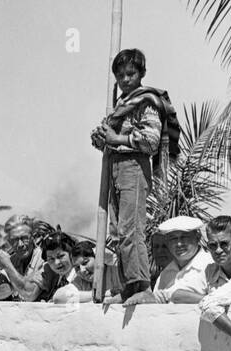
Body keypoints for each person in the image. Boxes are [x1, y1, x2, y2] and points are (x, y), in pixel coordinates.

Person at [90, 48, 163, 302]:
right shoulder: (119, 106)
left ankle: (142, 286)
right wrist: (101, 138)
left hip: (134, 165)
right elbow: (107, 139)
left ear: (141, 73)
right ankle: (128, 287)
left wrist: (117, 138)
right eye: (120, 75)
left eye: (130, 73)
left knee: (131, 229)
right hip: (115, 166)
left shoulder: (145, 102)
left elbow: (152, 141)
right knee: (118, 231)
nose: (125, 79)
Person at [139, 216, 215, 304]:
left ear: (197, 237)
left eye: (184, 237)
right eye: (173, 239)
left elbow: (224, 302)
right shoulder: (166, 273)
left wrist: (186, 297)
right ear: (167, 242)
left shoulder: (211, 266)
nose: (179, 244)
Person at [204, 215, 231, 293]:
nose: (218, 250)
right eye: (213, 245)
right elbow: (178, 294)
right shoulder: (209, 271)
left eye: (224, 244)